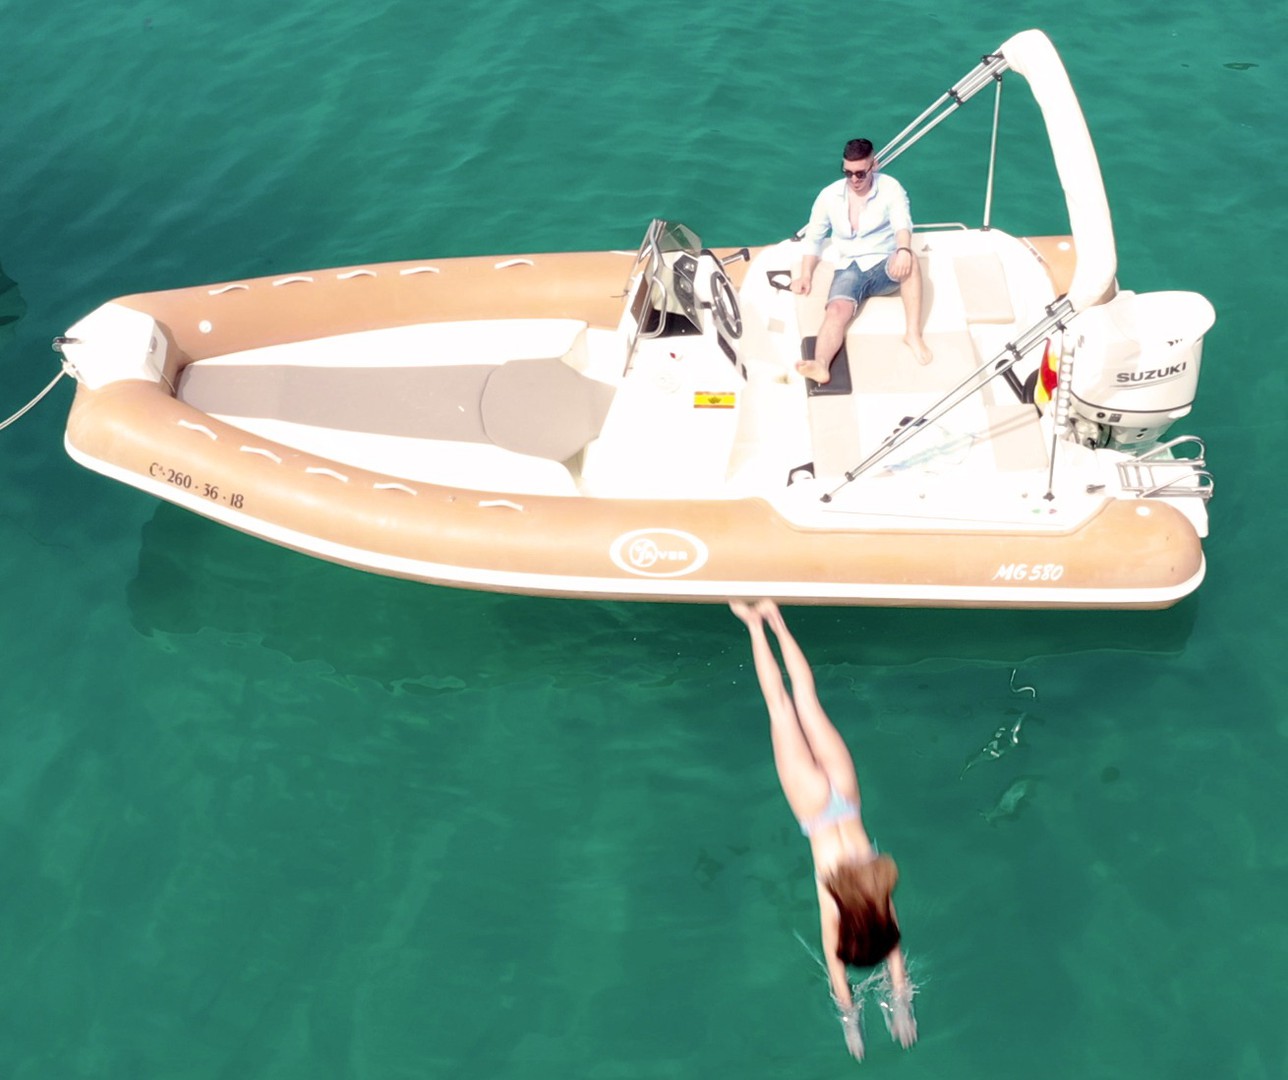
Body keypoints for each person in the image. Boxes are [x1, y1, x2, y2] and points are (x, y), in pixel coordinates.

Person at [731, 599, 917, 1060]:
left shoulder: (880, 898)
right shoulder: (836, 914)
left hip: (845, 796)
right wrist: (854, 1027)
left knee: (806, 698)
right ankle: (753, 625)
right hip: (813, 809)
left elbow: (896, 961)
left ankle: (775, 618)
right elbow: (840, 983)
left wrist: (902, 1004)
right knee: (780, 707)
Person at [791, 138, 932, 384]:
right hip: (849, 267)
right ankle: (821, 364)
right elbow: (814, 237)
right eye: (848, 173)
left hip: (883, 264)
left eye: (860, 173)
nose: (854, 180)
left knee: (909, 260)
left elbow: (902, 223)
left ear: (873, 165)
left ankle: (912, 334)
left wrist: (903, 249)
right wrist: (805, 274)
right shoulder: (829, 195)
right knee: (836, 310)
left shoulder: (890, 188)